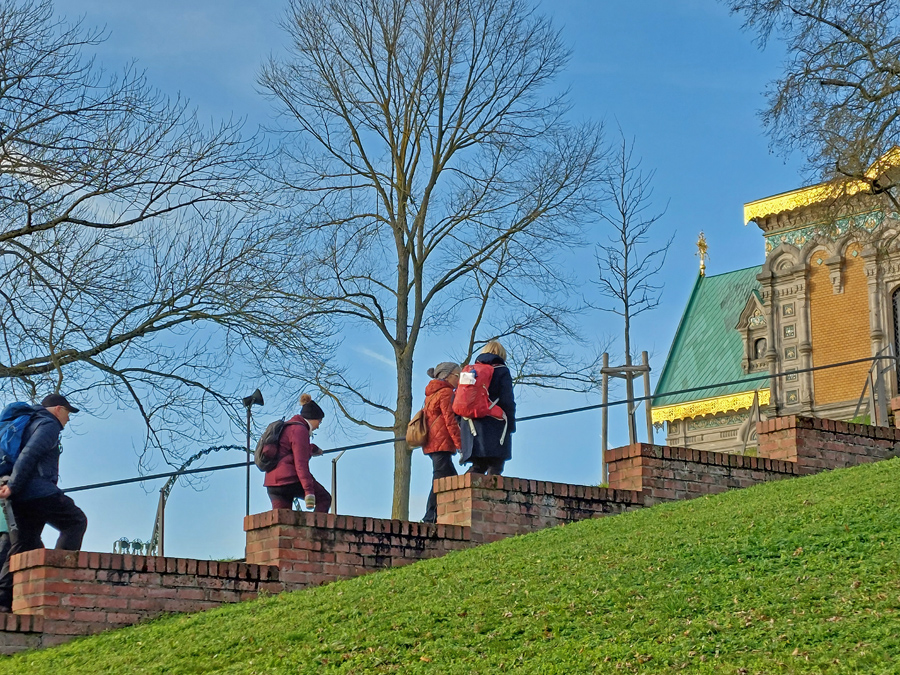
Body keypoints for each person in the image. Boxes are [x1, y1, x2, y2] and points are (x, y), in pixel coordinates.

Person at [0, 394, 88, 611]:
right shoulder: (48, 424)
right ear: (58, 409)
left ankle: (3, 603)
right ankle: (59, 583)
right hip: (36, 491)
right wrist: (14, 484)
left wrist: (11, 487)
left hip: (17, 495)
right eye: (68, 413)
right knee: (75, 522)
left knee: (22, 545)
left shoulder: (26, 422)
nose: (68, 419)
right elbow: (30, 454)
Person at [264, 393, 332, 513]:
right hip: (289, 480)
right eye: (319, 422)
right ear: (313, 419)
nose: (318, 427)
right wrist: (309, 491)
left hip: (272, 483)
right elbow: (300, 464)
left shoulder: (288, 427)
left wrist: (313, 449)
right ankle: (314, 530)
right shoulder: (300, 430)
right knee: (324, 498)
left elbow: (291, 450)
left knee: (283, 519)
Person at [459, 341, 516, 476]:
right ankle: (493, 495)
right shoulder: (502, 371)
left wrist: (460, 421)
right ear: (502, 355)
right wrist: (510, 425)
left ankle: (463, 491)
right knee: (495, 468)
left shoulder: (470, 371)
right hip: (495, 425)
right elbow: (507, 400)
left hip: (471, 424)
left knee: (478, 466)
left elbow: (460, 397)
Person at [420, 362, 462, 523]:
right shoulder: (445, 393)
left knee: (449, 479)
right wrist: (460, 445)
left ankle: (440, 515)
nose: (459, 380)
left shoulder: (431, 394)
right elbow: (450, 421)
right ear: (448, 375)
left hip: (431, 442)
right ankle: (430, 516)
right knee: (441, 479)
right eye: (458, 376)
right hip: (442, 442)